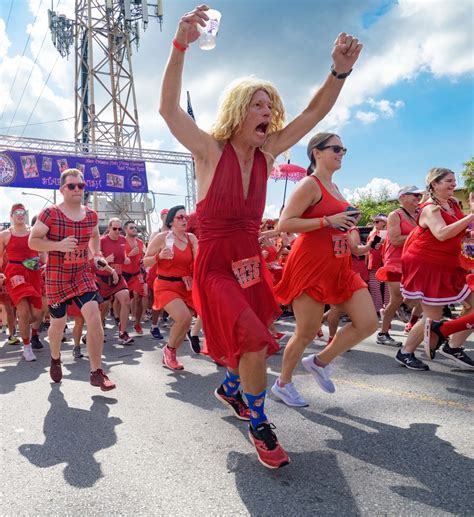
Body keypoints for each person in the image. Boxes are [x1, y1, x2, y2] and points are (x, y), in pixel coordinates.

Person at [160, 4, 362, 469]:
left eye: (270, 106)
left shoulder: (270, 152)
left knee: (252, 340)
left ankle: (231, 389)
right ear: (238, 110)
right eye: (258, 104)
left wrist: (339, 72)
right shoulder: (210, 151)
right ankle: (259, 422)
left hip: (250, 261)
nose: (267, 112)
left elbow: (314, 112)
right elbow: (168, 109)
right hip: (214, 265)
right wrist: (179, 46)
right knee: (251, 342)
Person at [273, 133, 378, 408]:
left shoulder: (335, 186)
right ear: (316, 152)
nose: (341, 152)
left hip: (340, 265)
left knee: (368, 323)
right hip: (311, 265)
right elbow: (285, 223)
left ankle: (319, 362)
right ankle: (283, 384)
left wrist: (347, 223)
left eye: (344, 148)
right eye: (335, 148)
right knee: (306, 332)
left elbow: (335, 225)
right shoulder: (311, 183)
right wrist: (328, 220)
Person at [29, 168, 116, 390]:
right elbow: (33, 241)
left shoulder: (91, 215)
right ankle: (56, 358)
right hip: (57, 277)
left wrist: (96, 255)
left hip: (81, 274)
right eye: (72, 186)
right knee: (58, 323)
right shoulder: (50, 213)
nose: (78, 189)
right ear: (62, 189)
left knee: (94, 315)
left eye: (81, 185)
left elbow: (94, 236)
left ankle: (96, 371)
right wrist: (57, 246)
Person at [395, 168, 474, 370]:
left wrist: (467, 235)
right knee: (433, 316)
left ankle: (453, 345)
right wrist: (471, 216)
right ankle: (405, 352)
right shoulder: (430, 208)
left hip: (451, 263)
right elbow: (441, 233)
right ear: (434, 184)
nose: (453, 184)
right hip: (428, 264)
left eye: (454, 181)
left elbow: (457, 231)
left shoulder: (454, 204)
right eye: (448, 181)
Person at [144, 205, 198, 369]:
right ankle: (169, 352)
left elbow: (199, 261)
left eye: (185, 217)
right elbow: (145, 261)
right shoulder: (162, 237)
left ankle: (170, 351)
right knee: (184, 318)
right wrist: (158, 256)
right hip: (165, 284)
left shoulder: (191, 238)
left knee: (185, 322)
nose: (184, 220)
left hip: (185, 286)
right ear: (171, 221)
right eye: (180, 217)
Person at [376, 186, 423, 346]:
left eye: (419, 194)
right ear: (402, 197)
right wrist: (419, 234)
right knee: (396, 298)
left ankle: (407, 316)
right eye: (414, 194)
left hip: (413, 261)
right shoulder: (394, 215)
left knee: (420, 293)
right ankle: (383, 333)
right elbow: (395, 240)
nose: (418, 197)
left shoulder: (419, 214)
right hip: (395, 262)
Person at [0, 204, 45, 361]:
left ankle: (22, 324)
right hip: (15, 273)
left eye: (22, 212)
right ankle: (27, 347)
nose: (20, 215)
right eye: (16, 213)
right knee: (24, 311)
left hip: (33, 272)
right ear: (11, 216)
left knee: (37, 313)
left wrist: (45, 264)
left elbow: (43, 252)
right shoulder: (5, 235)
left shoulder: (34, 232)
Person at [98, 218, 134, 345]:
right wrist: (105, 260)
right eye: (115, 229)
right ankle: (97, 330)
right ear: (109, 228)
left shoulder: (123, 240)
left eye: (119, 229)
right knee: (103, 308)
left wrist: (125, 259)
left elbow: (123, 255)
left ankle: (122, 332)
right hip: (103, 278)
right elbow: (96, 260)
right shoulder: (101, 241)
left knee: (126, 300)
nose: (117, 231)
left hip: (118, 277)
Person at [122, 220, 147, 335]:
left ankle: (137, 323)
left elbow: (145, 256)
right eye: (131, 228)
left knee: (138, 297)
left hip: (137, 274)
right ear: (126, 230)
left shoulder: (140, 242)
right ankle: (120, 321)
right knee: (121, 301)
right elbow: (118, 258)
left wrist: (143, 260)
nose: (134, 229)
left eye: (135, 227)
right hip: (123, 274)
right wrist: (130, 254)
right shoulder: (121, 242)